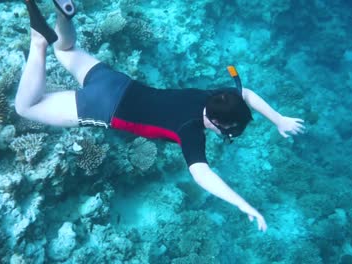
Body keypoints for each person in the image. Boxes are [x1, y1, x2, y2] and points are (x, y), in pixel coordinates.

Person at [16, 0, 306, 232]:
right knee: (27, 107)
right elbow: (202, 175)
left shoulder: (212, 95)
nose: (225, 136)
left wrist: (279, 119)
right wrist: (243, 204)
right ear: (220, 123)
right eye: (228, 134)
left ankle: (63, 14)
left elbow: (246, 95)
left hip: (117, 82)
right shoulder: (190, 129)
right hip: (104, 106)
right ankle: (37, 42)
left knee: (65, 49)